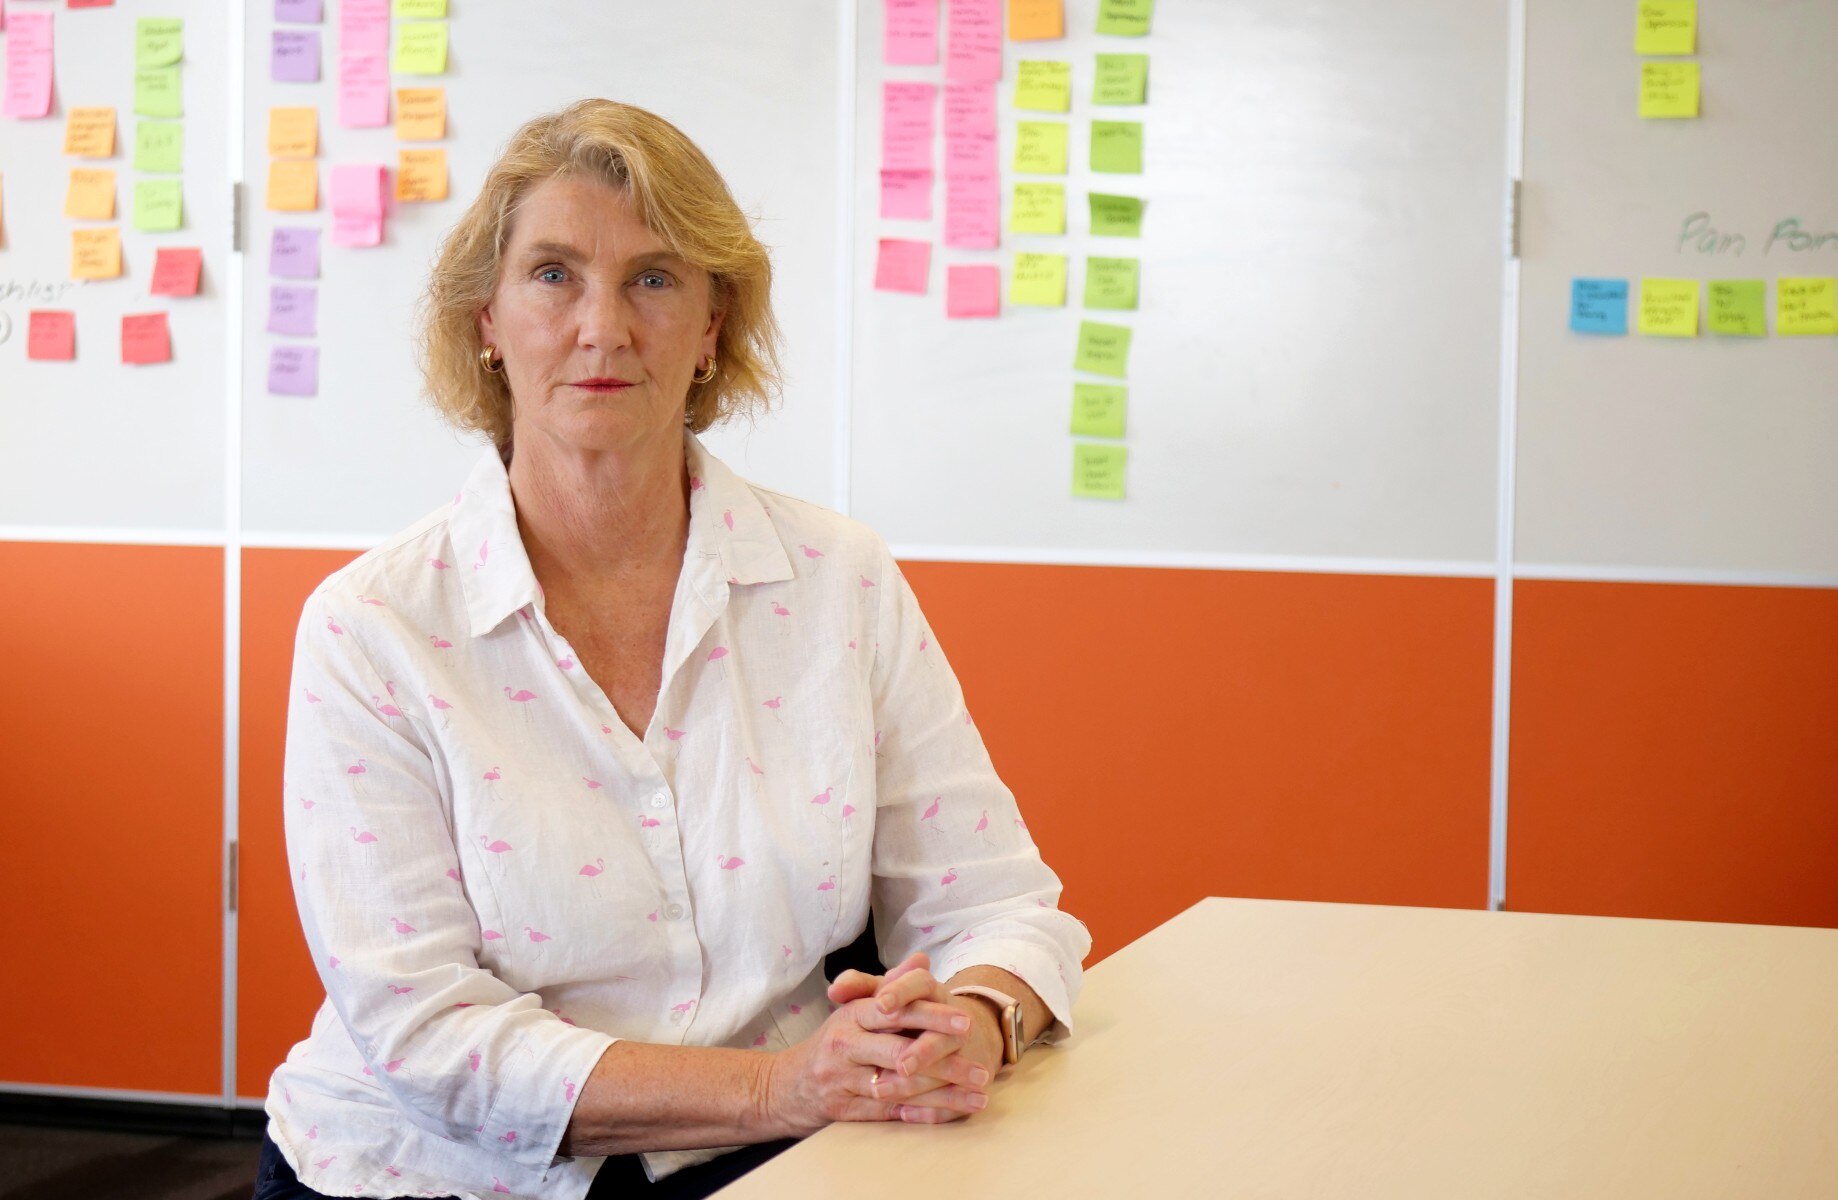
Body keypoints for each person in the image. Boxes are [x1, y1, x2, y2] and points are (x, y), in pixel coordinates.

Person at [257, 98, 1090, 1200]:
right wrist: (778, 1088)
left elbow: (995, 900)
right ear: (485, 324)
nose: (602, 324)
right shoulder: (375, 627)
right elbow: (425, 1034)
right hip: (435, 1176)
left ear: (710, 329)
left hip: (776, 1155)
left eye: (653, 278)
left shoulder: (836, 581)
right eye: (553, 274)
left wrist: (974, 1021)